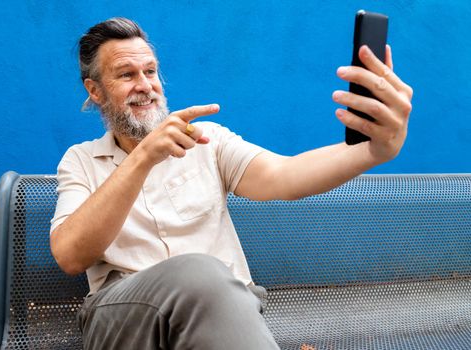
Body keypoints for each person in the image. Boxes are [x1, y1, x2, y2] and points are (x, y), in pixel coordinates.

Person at [50, 17, 413, 350]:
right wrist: (144, 157)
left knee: (210, 283)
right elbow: (70, 255)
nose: (145, 86)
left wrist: (373, 151)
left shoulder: (207, 141)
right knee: (200, 271)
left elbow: (284, 176)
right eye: (126, 75)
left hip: (220, 314)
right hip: (124, 324)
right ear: (95, 91)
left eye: (150, 71)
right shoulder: (81, 160)